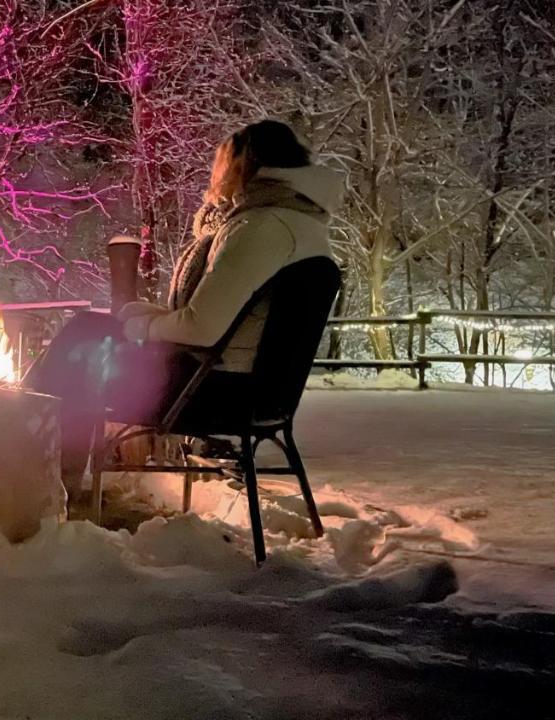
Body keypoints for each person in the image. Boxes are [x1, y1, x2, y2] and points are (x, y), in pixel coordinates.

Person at [21, 119, 343, 493]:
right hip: (248, 390)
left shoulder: (262, 227)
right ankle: (45, 469)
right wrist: (140, 315)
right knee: (87, 336)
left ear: (244, 165)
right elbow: (222, 319)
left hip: (214, 393)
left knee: (81, 343)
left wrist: (137, 326)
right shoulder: (298, 223)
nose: (216, 175)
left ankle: (28, 462)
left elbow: (202, 328)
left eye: (221, 164)